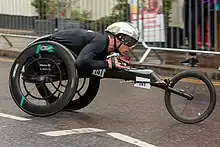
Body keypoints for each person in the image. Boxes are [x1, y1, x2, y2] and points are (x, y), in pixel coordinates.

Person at [50, 22, 140, 72]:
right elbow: (80, 63)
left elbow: (94, 68)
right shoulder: (101, 41)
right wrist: (107, 64)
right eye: (129, 43)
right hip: (52, 45)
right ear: (119, 38)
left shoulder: (106, 48)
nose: (130, 48)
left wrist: (114, 63)